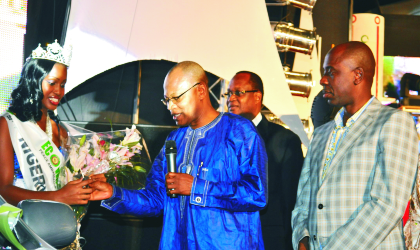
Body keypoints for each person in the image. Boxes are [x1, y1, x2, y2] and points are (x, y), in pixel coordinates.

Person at [90, 61, 268, 249]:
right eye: (167, 100)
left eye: (177, 98)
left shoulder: (239, 131)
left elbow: (256, 194)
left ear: (200, 91)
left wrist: (196, 187)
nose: (170, 107)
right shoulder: (174, 140)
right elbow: (155, 200)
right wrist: (113, 193)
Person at [291, 41, 419, 250]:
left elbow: (387, 205)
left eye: (331, 72)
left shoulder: (394, 122)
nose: (323, 80)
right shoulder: (322, 133)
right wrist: (302, 240)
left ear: (357, 75)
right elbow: (303, 201)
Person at [0, 41, 94, 206]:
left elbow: (67, 181)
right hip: (20, 222)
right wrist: (58, 197)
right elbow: (3, 190)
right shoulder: (8, 124)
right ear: (34, 81)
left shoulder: (60, 131)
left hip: (55, 222)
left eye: (63, 84)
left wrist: (89, 182)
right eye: (52, 82)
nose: (58, 91)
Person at [227, 71, 304, 250]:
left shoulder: (285, 140)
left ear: (257, 97)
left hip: (268, 238)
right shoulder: (220, 138)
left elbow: (291, 200)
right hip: (226, 238)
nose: (231, 98)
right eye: (228, 93)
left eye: (238, 92)